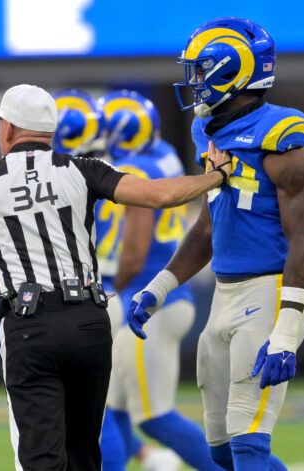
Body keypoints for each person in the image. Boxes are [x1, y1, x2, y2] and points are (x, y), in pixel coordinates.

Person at [0, 83, 233, 470]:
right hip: (89, 322)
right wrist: (214, 177)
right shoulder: (83, 169)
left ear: (7, 130)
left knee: (41, 457)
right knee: (83, 453)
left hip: (30, 325)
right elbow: (160, 194)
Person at [128, 17, 304, 470]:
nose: (193, 82)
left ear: (232, 72)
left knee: (249, 443)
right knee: (221, 453)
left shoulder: (283, 141)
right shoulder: (208, 133)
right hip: (225, 294)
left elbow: (303, 241)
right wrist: (158, 288)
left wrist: (287, 333)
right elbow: (209, 228)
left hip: (270, 291)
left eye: (200, 71)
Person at [53, 89, 183, 471]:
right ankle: (143, 455)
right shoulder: (152, 160)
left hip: (98, 289)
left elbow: (132, 247)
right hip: (111, 288)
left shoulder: (77, 174)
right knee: (105, 403)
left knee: (94, 407)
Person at [94, 90, 221, 471]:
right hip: (165, 292)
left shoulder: (135, 169)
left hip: (147, 297)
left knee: (153, 416)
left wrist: (112, 289)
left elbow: (133, 249)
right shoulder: (161, 153)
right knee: (110, 410)